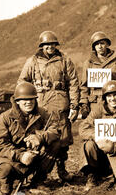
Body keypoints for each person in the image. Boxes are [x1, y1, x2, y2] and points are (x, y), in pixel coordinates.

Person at [18, 30, 80, 182]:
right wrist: (25, 102)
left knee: (63, 140)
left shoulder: (64, 60)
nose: (50, 47)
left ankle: (62, 169)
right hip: (40, 105)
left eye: (52, 44)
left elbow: (73, 83)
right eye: (46, 44)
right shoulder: (32, 61)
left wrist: (74, 105)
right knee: (38, 137)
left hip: (60, 105)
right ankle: (35, 172)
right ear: (42, 46)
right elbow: (22, 82)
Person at [0, 82, 60, 195]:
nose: (28, 102)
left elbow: (55, 131)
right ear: (17, 101)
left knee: (55, 144)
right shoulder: (5, 118)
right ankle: (6, 185)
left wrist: (40, 137)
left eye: (32, 99)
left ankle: (37, 181)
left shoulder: (42, 113)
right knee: (5, 168)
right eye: (24, 99)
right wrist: (20, 156)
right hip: (12, 159)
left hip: (34, 156)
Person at [79, 31, 116, 119]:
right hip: (95, 102)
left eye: (102, 43)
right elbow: (84, 86)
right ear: (94, 47)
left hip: (113, 101)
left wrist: (114, 84)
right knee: (97, 128)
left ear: (107, 44)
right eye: (97, 44)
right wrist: (84, 104)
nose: (100, 46)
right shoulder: (88, 63)